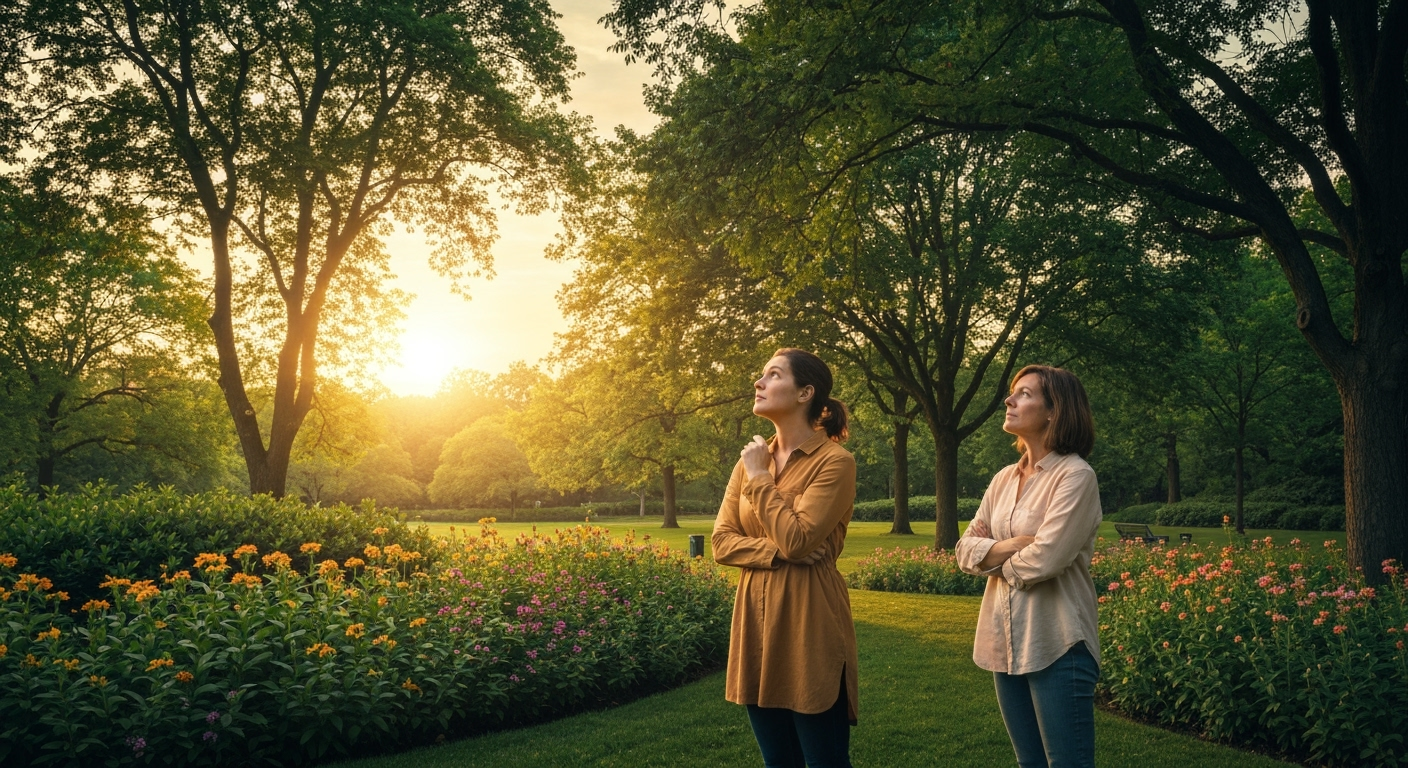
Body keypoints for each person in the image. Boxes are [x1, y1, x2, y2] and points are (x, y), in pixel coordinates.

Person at [712, 348, 858, 768]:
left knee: (825, 762)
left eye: (772, 375)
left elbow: (798, 539)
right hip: (755, 628)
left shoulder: (835, 462)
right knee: (778, 762)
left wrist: (759, 479)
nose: (758, 383)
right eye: (761, 375)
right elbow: (722, 542)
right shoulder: (749, 461)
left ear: (805, 392)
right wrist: (776, 551)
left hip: (809, 623)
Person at [955, 364, 1102, 768]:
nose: (1009, 400)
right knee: (1029, 764)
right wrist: (1014, 545)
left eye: (1024, 393)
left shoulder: (1075, 476)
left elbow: (1046, 560)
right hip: (1004, 641)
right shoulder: (1003, 478)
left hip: (1058, 642)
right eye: (1012, 392)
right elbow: (964, 549)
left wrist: (993, 556)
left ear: (1055, 410)